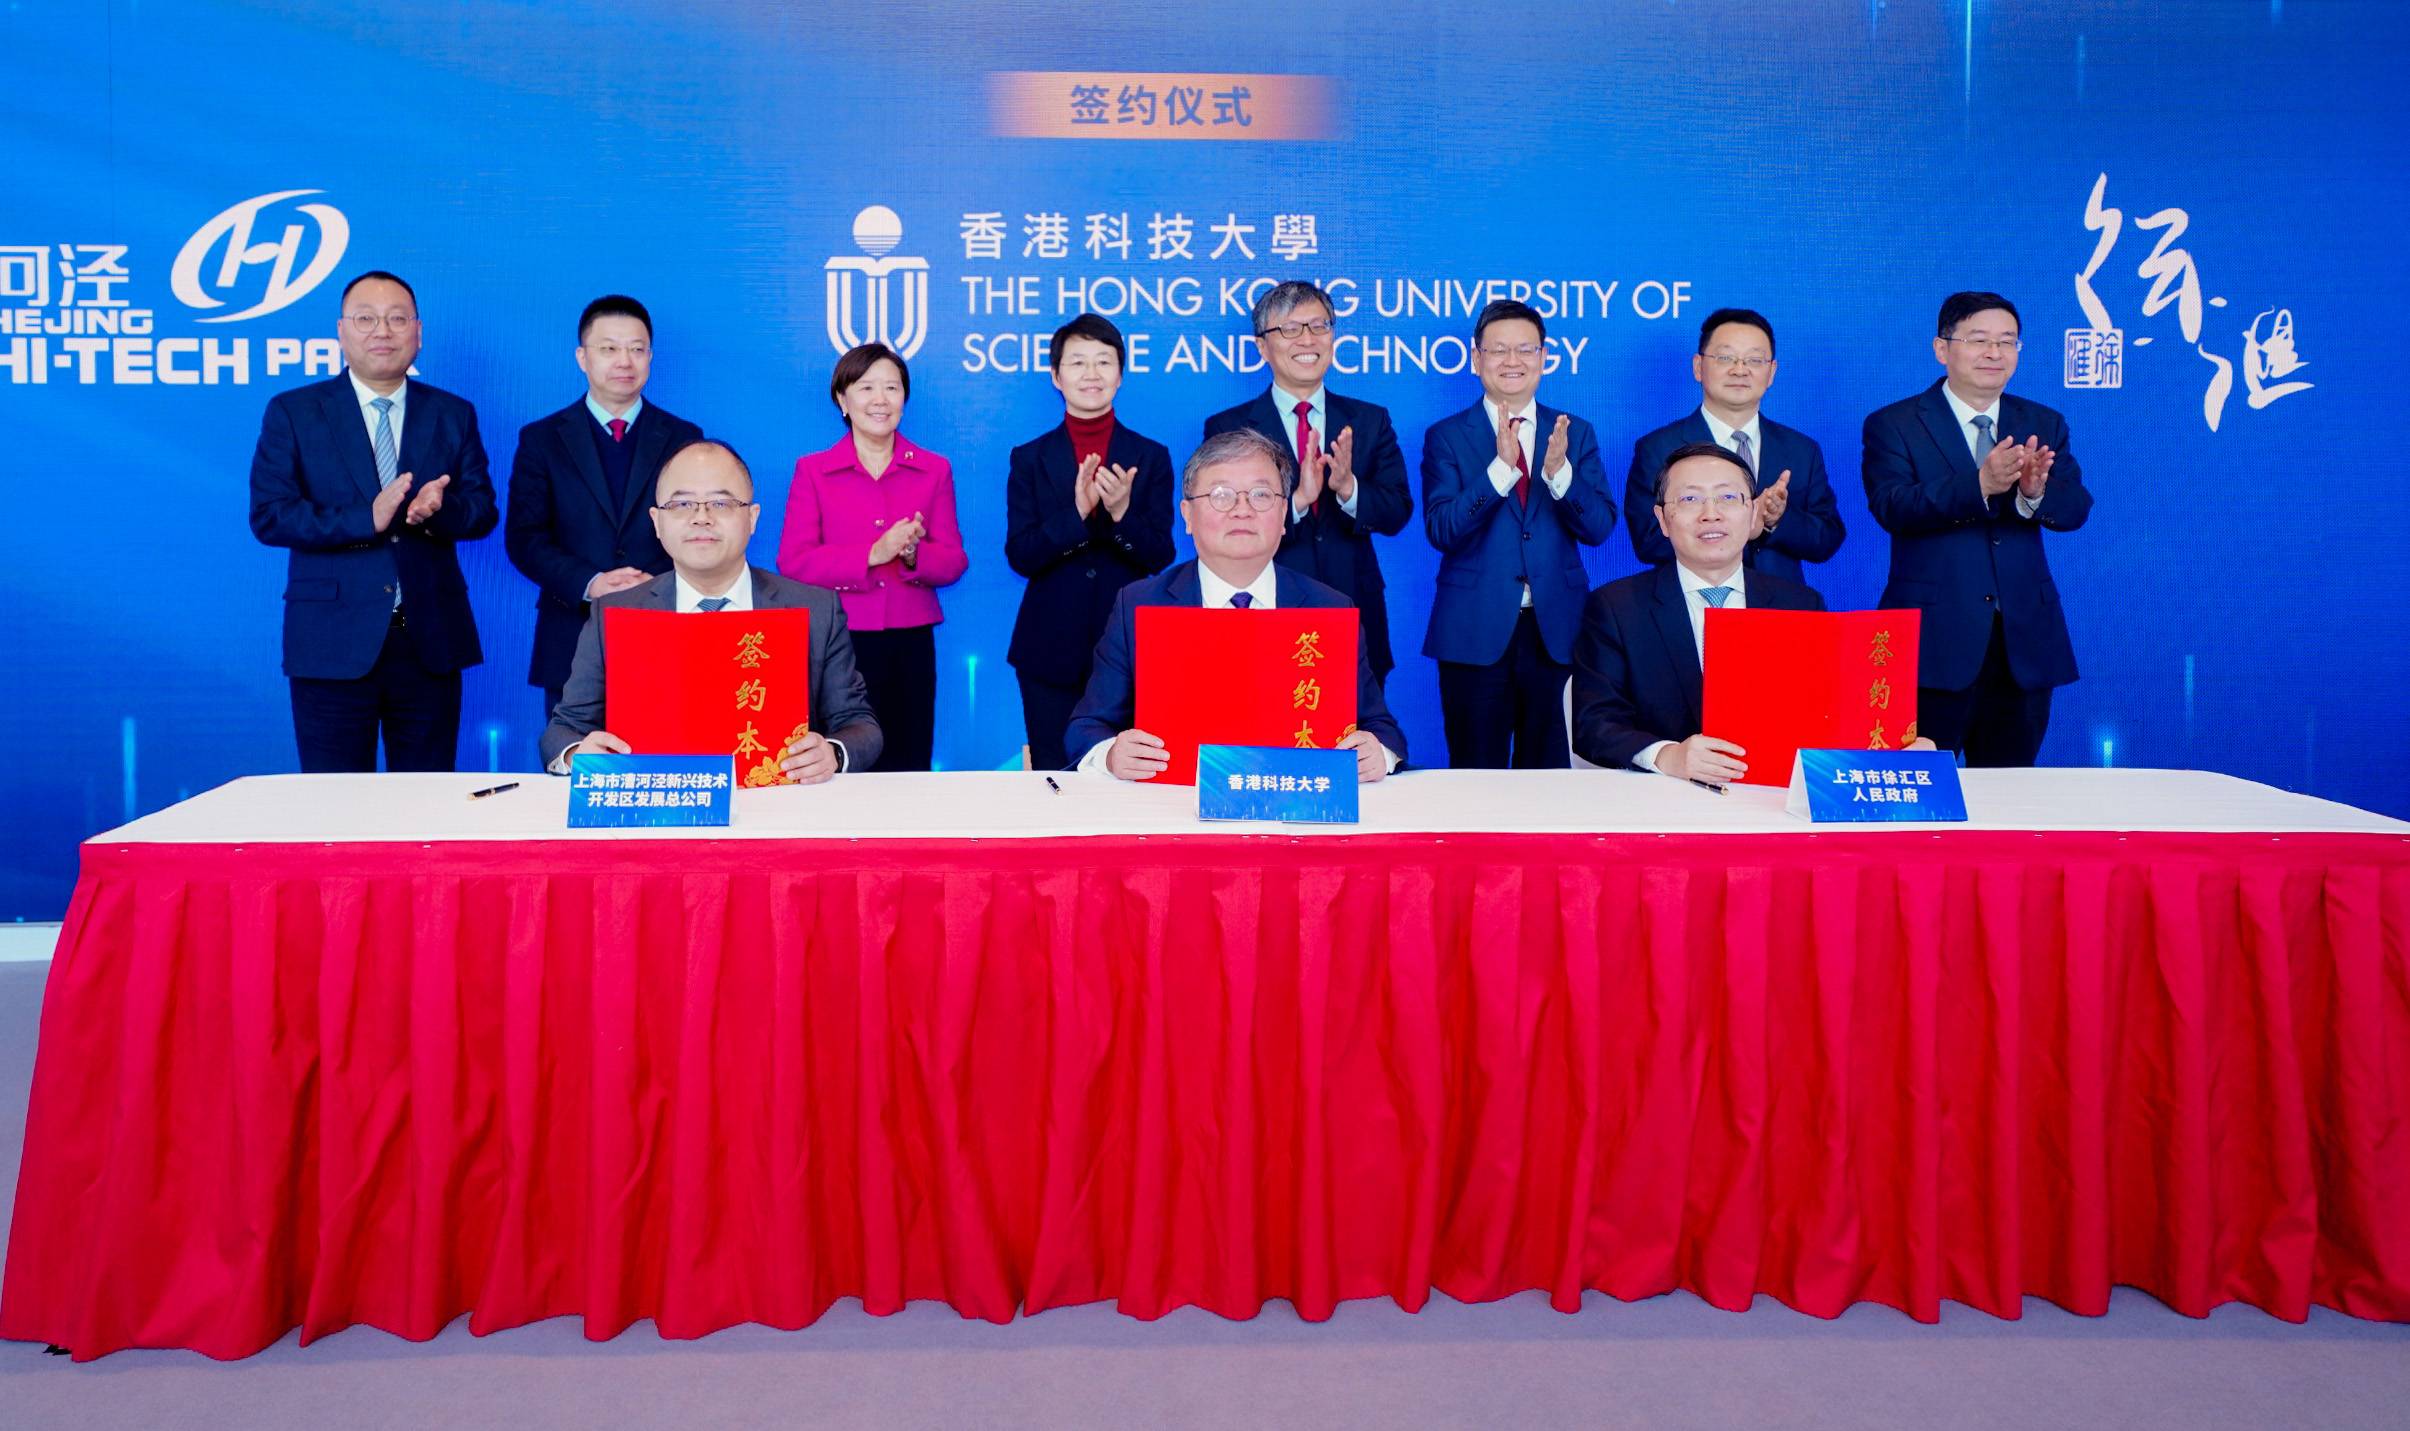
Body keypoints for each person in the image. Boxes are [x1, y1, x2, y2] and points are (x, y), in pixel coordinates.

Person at [248, 269, 497, 773]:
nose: (382, 331)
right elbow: (271, 516)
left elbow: (482, 511)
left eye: (397, 319)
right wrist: (369, 518)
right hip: (331, 644)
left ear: (418, 332)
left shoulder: (453, 413)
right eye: (366, 319)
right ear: (341, 331)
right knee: (334, 810)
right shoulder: (295, 411)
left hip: (427, 643)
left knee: (426, 807)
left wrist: (436, 513)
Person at [1063, 427, 1406, 782]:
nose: (1242, 510)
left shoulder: (1330, 608)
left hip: (1297, 816)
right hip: (1176, 816)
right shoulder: (1138, 605)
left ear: (1284, 513)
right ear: (1187, 516)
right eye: (1221, 495)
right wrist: (1111, 754)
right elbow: (1087, 728)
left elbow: (1380, 726)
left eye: (1261, 495)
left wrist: (1378, 753)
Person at [541, 441, 880, 778]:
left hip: (781, 806)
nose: (701, 518)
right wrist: (576, 755)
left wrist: (832, 753)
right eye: (682, 504)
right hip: (658, 812)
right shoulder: (613, 614)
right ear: (657, 522)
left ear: (751, 517)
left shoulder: (815, 609)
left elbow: (858, 725)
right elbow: (561, 732)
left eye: (720, 503)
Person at [1863, 292, 2093, 766]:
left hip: (2024, 643)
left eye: (2007, 342)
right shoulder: (1896, 423)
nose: (1995, 353)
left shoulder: (2042, 421)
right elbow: (1892, 506)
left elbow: (2075, 509)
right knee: (1921, 788)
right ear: (1942, 348)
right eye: (1979, 340)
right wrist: (1980, 485)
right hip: (1932, 643)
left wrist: (2034, 493)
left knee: (2011, 794)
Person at [1420, 298, 1615, 769]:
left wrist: (1559, 474)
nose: (1513, 361)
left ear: (1544, 357)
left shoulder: (1574, 432)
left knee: (1549, 775)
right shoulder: (1446, 435)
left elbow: (1599, 527)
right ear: (1476, 359)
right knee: (1475, 772)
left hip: (1557, 631)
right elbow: (1443, 529)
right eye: (1499, 350)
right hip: (1475, 629)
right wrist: (1499, 472)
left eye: (1525, 350)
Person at [503, 295, 705, 725]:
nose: (624, 361)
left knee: (668, 764)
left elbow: (697, 527)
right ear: (582, 357)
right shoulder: (542, 439)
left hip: (666, 626)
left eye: (637, 348)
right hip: (572, 634)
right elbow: (525, 538)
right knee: (575, 768)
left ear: (650, 356)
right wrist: (592, 583)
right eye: (608, 348)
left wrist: (653, 587)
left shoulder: (685, 437)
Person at [1573, 444, 1827, 780]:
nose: (1711, 513)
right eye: (1690, 500)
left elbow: (1827, 713)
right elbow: (1594, 724)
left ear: (1752, 514)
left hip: (1773, 796)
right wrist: (1667, 755)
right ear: (1663, 520)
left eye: (1727, 498)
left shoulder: (1801, 605)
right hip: (1663, 802)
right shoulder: (1616, 607)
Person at [1202, 280, 1413, 683]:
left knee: (1352, 740)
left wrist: (1349, 489)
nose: (1308, 339)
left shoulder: (1369, 420)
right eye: (1290, 329)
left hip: (1354, 615)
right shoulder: (1229, 428)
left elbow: (1398, 511)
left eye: (1319, 326)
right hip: (1265, 613)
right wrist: (1296, 501)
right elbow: (1222, 523)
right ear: (1263, 346)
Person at [778, 342, 966, 771]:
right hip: (837, 639)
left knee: (908, 757)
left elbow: (954, 561)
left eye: (892, 388)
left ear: (904, 399)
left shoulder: (933, 468)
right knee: (838, 761)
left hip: (910, 641)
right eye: (866, 388)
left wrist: (915, 556)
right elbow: (794, 562)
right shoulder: (814, 470)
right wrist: (872, 554)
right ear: (842, 400)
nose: (880, 399)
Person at [1003, 315, 1177, 770]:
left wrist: (1120, 514)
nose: (1091, 373)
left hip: (1131, 644)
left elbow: (1161, 555)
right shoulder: (1030, 458)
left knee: (1135, 773)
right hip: (1049, 647)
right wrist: (1076, 515)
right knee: (1054, 774)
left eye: (1104, 361)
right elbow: (1021, 555)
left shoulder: (1151, 456)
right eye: (1077, 362)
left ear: (1121, 373)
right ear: (1056, 376)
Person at [1623, 306, 1845, 579]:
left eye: (1754, 360)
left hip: (1780, 610)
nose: (1740, 370)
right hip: (1694, 611)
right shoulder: (1658, 448)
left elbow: (1828, 539)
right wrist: (1738, 526)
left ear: (1772, 372)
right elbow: (1649, 542)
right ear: (1698, 366)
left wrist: (1773, 523)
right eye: (1726, 357)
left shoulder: (1802, 449)